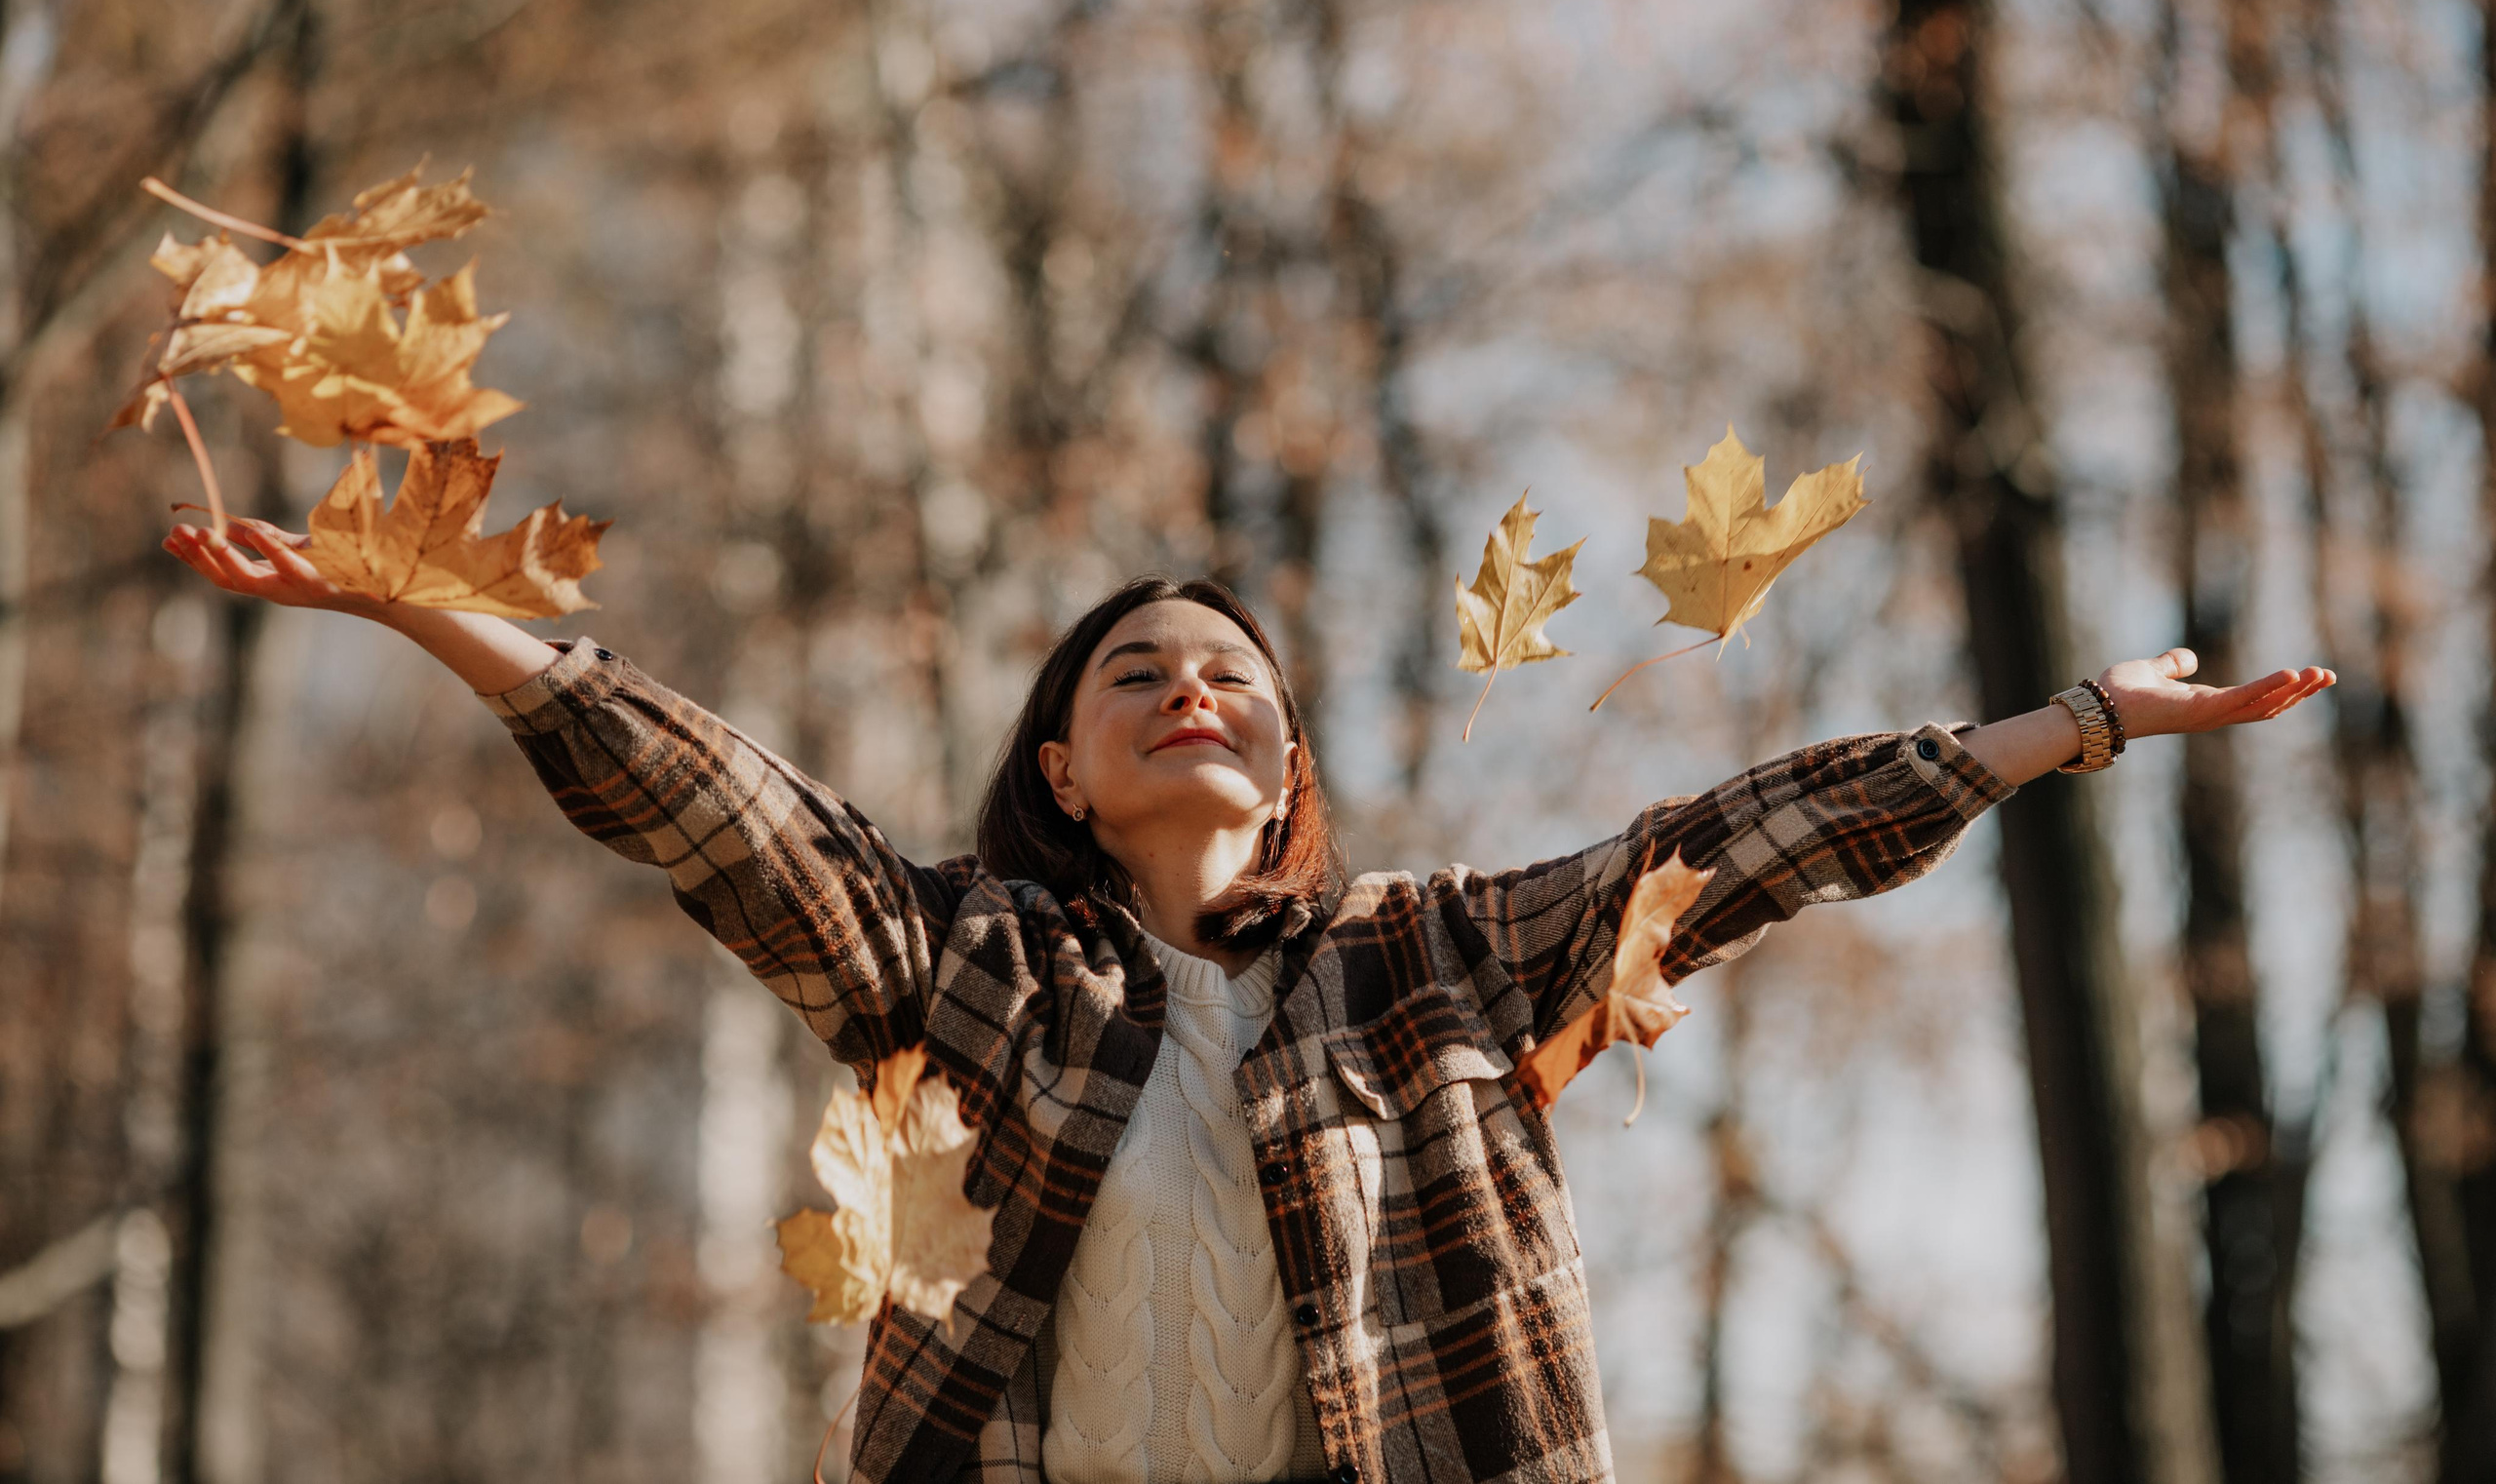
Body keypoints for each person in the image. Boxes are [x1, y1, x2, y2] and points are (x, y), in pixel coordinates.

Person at [162, 517, 2333, 1484]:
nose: (1189, 687)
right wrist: (434, 600)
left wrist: (2066, 721)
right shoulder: (965, 965)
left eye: (1234, 678)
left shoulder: (1437, 953)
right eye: (1138, 671)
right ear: (1062, 766)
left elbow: (1743, 839)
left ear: (1285, 768)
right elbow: (725, 813)